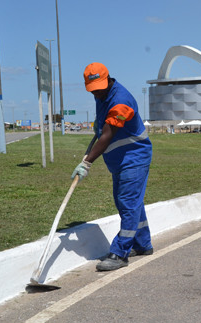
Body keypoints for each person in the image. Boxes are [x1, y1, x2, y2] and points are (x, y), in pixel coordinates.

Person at [72, 62, 153, 271]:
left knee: (127, 202)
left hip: (134, 157)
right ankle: (142, 244)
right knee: (130, 202)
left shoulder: (121, 102)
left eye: (99, 88)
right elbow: (101, 130)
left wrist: (87, 162)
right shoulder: (102, 96)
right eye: (93, 90)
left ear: (107, 80)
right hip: (119, 160)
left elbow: (107, 135)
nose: (96, 93)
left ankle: (120, 253)